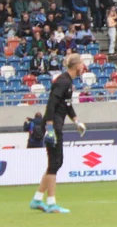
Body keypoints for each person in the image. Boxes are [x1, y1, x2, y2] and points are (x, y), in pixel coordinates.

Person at [29, 53, 87, 213]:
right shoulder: (62, 81)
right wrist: (49, 127)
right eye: (82, 64)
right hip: (53, 125)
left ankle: (37, 199)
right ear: (76, 66)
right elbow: (51, 104)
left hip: (56, 124)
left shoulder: (68, 82)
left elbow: (67, 105)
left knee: (56, 163)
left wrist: (76, 121)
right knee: (55, 163)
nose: (83, 67)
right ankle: (51, 203)